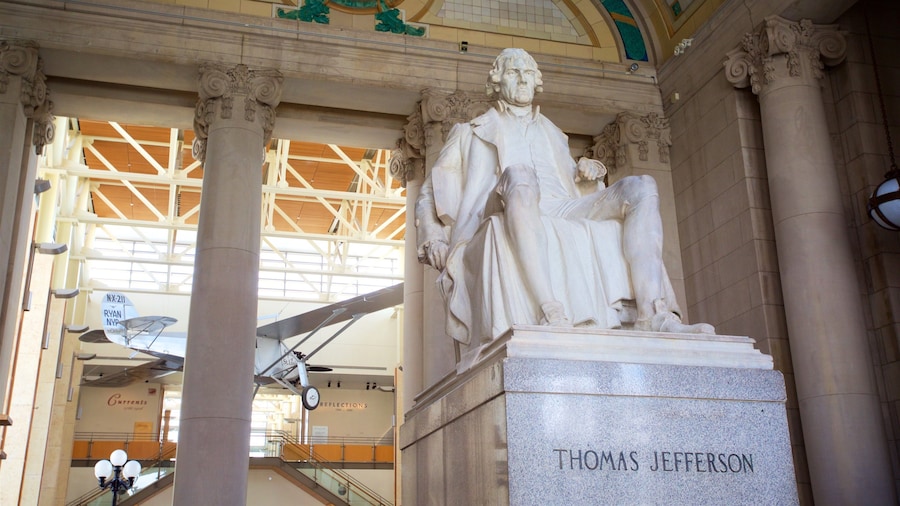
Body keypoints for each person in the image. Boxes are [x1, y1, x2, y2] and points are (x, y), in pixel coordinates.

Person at [416, 48, 713, 351]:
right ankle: (550, 309)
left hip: (563, 207)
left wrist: (586, 175)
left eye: (528, 73)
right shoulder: (469, 132)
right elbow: (430, 191)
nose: (522, 79)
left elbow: (569, 182)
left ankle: (652, 313)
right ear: (496, 81)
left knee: (642, 187)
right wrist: (433, 237)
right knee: (520, 175)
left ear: (537, 82)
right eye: (513, 72)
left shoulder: (555, 134)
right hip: (506, 202)